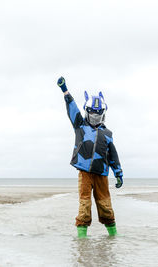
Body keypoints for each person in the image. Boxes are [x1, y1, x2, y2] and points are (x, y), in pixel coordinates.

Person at [57, 76, 123, 238]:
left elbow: (113, 155)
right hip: (85, 173)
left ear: (103, 113)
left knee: (105, 206)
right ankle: (82, 238)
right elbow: (72, 109)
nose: (95, 115)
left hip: (102, 175)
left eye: (98, 112)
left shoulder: (107, 134)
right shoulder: (80, 126)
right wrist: (65, 91)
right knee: (84, 205)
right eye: (92, 112)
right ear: (87, 111)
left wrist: (118, 173)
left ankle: (113, 236)